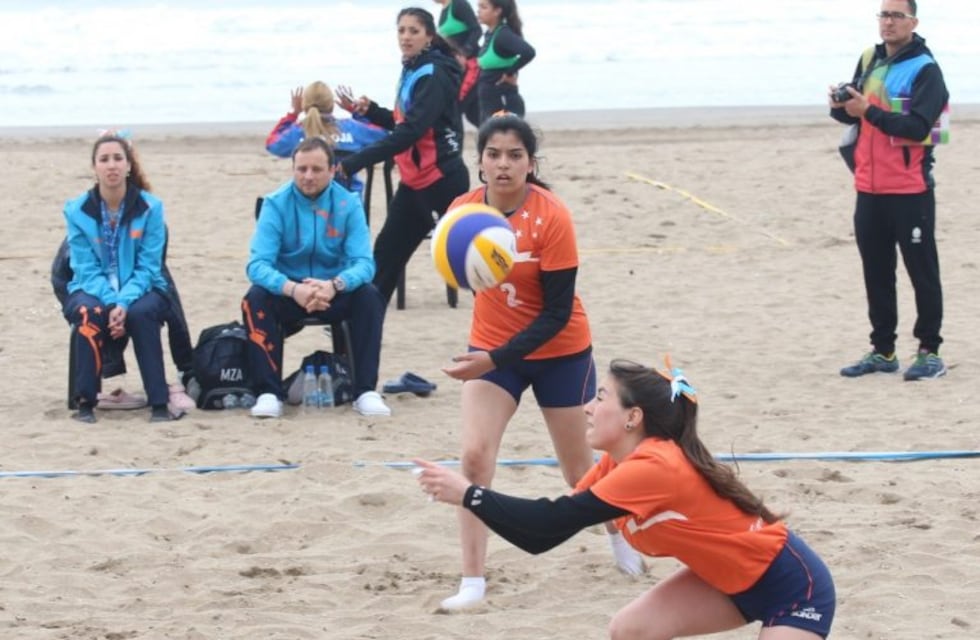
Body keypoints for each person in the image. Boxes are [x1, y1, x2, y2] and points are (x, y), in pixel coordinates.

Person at [415, 358, 836, 639]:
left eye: (600, 398)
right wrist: (472, 498)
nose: (587, 408)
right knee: (628, 630)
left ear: (633, 417)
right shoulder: (615, 463)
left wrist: (469, 494)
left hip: (793, 587)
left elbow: (547, 524)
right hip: (725, 582)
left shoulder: (655, 467)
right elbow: (544, 533)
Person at [434, 113, 645, 611]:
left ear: (531, 163)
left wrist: (492, 359)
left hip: (559, 354)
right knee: (473, 458)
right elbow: (457, 269)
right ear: (480, 161)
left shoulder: (552, 217)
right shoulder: (462, 213)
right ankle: (472, 582)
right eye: (493, 154)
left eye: (514, 155)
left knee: (579, 473)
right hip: (494, 354)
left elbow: (554, 314)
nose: (503, 165)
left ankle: (619, 536)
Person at [831, 0, 949, 381]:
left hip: (910, 189)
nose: (889, 22)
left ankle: (930, 352)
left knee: (922, 273)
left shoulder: (926, 70)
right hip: (868, 186)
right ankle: (883, 351)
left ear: (913, 22)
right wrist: (840, 105)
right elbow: (856, 113)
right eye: (884, 14)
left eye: (897, 15)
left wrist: (868, 111)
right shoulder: (869, 58)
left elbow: (917, 128)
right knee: (877, 272)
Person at [242, 137, 390, 419]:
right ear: (293, 169)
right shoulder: (275, 204)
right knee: (255, 297)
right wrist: (292, 289)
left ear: (332, 170)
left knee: (370, 295)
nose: (308, 176)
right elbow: (257, 265)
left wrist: (335, 285)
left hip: (333, 289)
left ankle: (365, 391)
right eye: (302, 169)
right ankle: (269, 393)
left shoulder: (348, 204)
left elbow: (364, 263)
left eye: (316, 169)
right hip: (290, 293)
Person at [335, 7, 469, 307]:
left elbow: (410, 132)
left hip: (443, 181)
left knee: (472, 265)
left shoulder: (433, 73)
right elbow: (404, 123)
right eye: (401, 30)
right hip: (415, 184)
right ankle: (355, 325)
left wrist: (353, 162)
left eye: (414, 31)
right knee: (384, 259)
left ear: (429, 36)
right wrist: (367, 111)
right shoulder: (413, 68)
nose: (406, 37)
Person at [61, 132, 183, 423]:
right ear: (95, 167)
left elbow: (150, 267)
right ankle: (86, 404)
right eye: (104, 159)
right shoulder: (76, 210)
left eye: (118, 158)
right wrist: (113, 302)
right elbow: (84, 269)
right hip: (91, 288)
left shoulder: (151, 207)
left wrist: (124, 303)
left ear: (129, 165)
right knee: (90, 313)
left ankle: (159, 404)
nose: (111, 165)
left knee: (141, 313)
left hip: (143, 288)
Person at [265, 82, 387, 195]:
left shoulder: (298, 131)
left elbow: (272, 144)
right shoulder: (351, 128)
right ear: (332, 105)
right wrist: (355, 111)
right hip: (347, 200)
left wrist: (293, 114)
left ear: (304, 105)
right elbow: (384, 133)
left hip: (307, 198)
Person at [474, 0, 535, 123]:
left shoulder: (503, 35)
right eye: (478, 7)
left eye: (483, 7)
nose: (478, 11)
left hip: (503, 102)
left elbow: (529, 52)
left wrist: (509, 73)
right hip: (489, 103)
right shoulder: (490, 33)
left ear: (497, 11)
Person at [433, 0, 482, 127]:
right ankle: (494, 137)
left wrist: (465, 52)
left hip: (471, 66)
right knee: (472, 113)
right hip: (455, 68)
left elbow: (477, 30)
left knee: (456, 108)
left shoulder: (459, 4)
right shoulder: (444, 9)